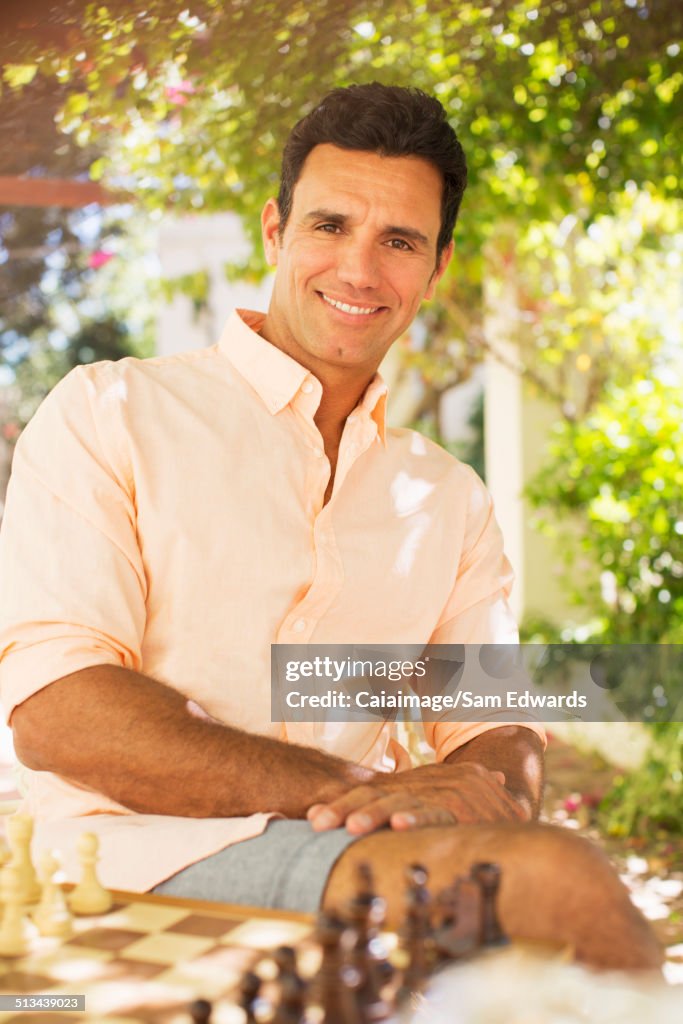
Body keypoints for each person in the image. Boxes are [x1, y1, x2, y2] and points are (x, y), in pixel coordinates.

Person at [0, 84, 661, 970]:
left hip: (354, 857)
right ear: (276, 232)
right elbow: (59, 713)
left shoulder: (446, 496)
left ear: (437, 268)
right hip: (133, 863)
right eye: (329, 225)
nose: (358, 268)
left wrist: (480, 796)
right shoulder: (110, 412)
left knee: (541, 902)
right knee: (559, 886)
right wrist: (356, 791)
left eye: (398, 241)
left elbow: (493, 723)